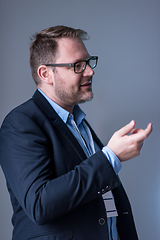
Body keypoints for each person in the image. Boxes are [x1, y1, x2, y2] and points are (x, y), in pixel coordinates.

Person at [0, 25, 152, 240]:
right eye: (78, 65)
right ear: (46, 74)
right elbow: (39, 204)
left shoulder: (78, 122)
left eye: (89, 62)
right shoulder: (21, 123)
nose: (90, 71)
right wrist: (111, 157)